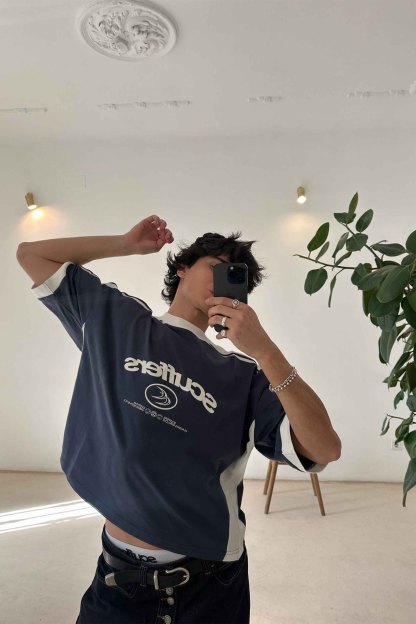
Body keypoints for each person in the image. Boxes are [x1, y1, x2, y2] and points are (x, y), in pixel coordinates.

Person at [16, 215, 341, 624]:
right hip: (118, 582)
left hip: (210, 585)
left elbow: (325, 448)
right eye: (214, 267)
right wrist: (124, 244)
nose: (221, 280)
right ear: (183, 268)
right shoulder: (119, 321)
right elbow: (31, 254)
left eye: (232, 277)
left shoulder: (243, 376)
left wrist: (265, 351)